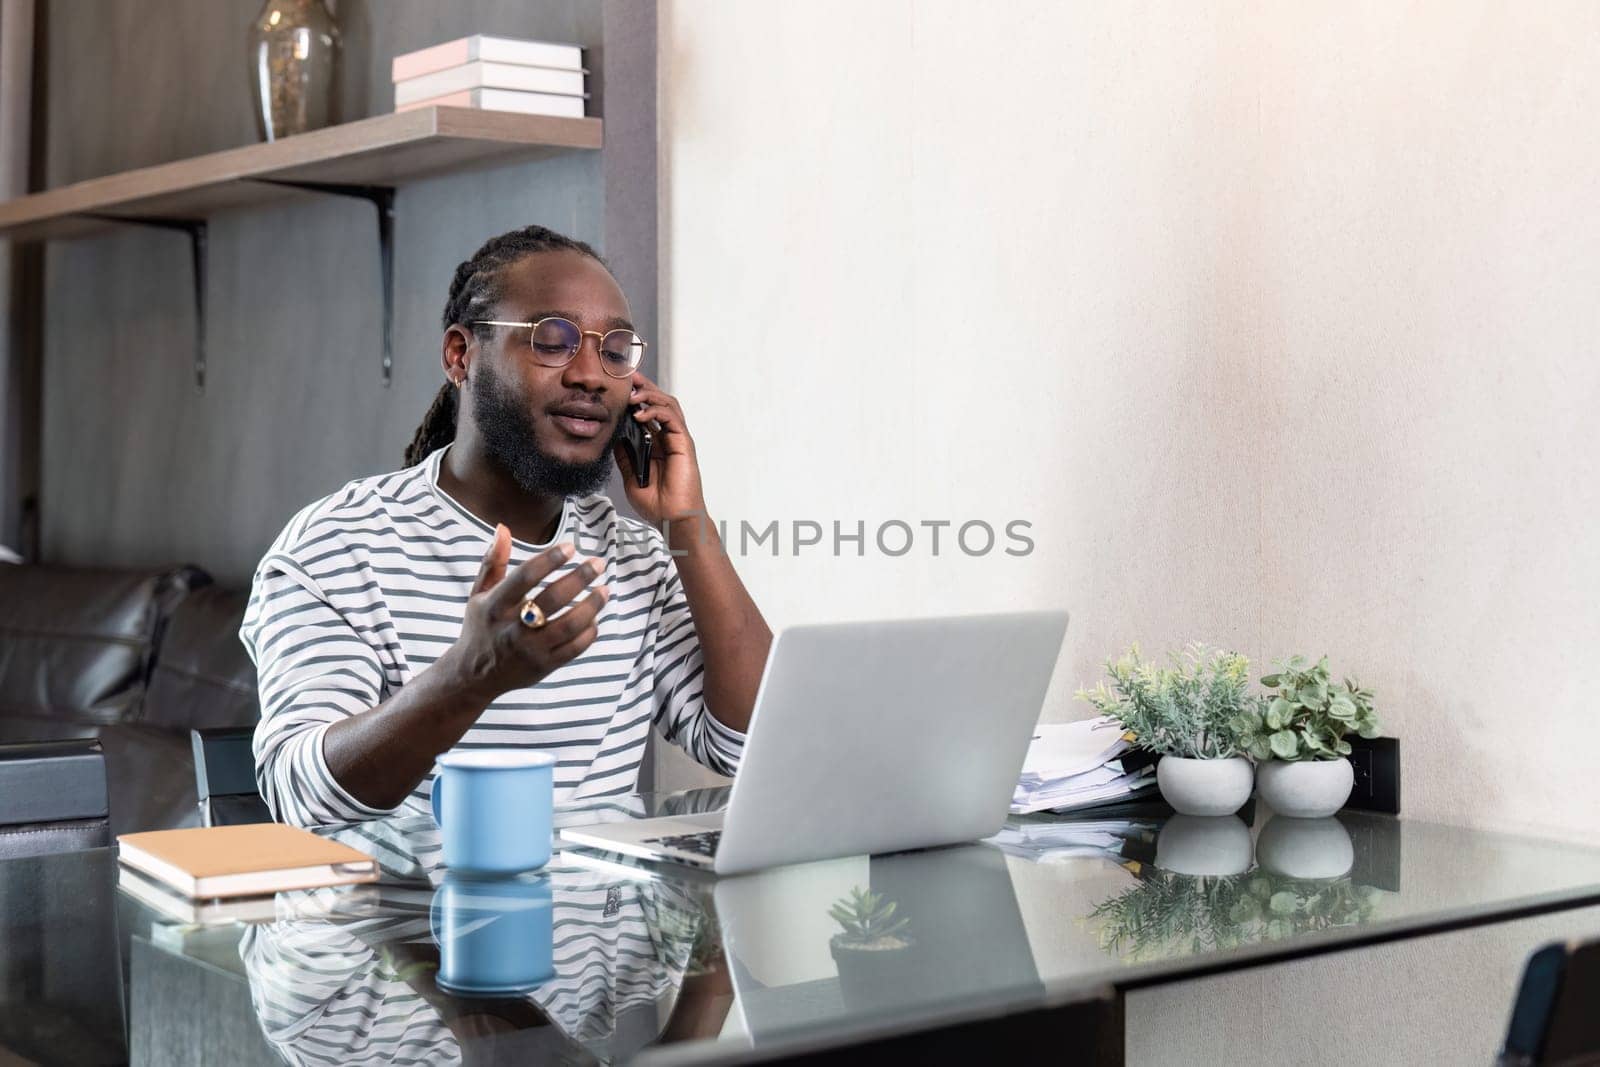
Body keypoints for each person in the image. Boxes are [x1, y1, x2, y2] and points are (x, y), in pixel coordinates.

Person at [240, 224, 772, 826]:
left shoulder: (637, 555)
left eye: (615, 350)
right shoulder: (337, 546)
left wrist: (687, 524)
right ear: (460, 355)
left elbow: (748, 747)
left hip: (599, 921)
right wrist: (468, 677)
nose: (591, 375)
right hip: (408, 919)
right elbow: (302, 796)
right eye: (552, 341)